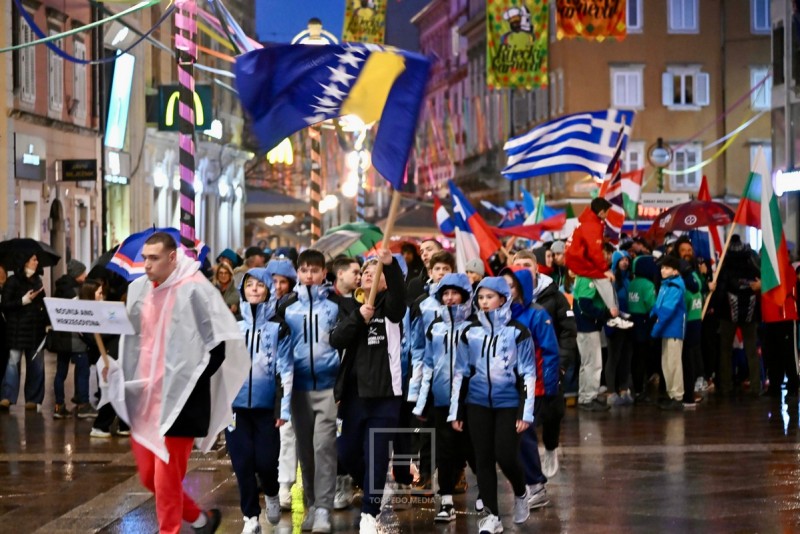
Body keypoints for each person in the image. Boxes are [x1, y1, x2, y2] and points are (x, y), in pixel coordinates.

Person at [107, 232, 250, 534]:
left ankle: (169, 530)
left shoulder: (195, 290)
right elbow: (133, 338)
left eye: (154, 258)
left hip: (182, 400)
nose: (147, 264)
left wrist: (186, 381)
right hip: (146, 395)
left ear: (172, 257)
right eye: (144, 258)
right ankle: (200, 519)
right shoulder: (140, 291)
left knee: (166, 477)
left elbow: (217, 347)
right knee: (149, 476)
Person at [449, 276, 535, 534]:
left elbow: (528, 374)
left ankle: (520, 491)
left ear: (503, 299)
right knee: (483, 459)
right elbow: (461, 373)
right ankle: (491, 516)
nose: (484, 302)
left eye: (490, 297)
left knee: (506, 455)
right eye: (481, 297)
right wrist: (456, 410)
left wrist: (525, 411)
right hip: (477, 404)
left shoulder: (518, 332)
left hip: (509, 404)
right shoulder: (469, 332)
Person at [330, 249, 405, 534]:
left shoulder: (391, 307)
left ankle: (369, 513)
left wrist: (390, 264)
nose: (369, 276)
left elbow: (399, 297)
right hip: (352, 396)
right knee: (347, 452)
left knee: (377, 455)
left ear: (385, 281)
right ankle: (375, 488)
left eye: (376, 273)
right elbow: (336, 339)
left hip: (384, 395)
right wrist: (358, 317)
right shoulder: (349, 306)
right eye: (365, 273)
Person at [278, 249, 339, 533]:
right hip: (298, 388)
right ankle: (312, 504)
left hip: (328, 387)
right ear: (298, 273)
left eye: (315, 270)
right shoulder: (287, 307)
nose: (310, 275)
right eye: (304, 270)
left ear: (324, 272)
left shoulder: (335, 305)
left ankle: (324, 507)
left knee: (323, 446)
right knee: (305, 450)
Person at [230, 268, 293, 534]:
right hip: (235, 408)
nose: (254, 289)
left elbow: (286, 371)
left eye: (259, 285)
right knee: (242, 462)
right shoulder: (232, 325)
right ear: (242, 290)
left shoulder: (279, 328)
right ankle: (251, 517)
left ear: (268, 290)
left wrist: (283, 408)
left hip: (267, 408)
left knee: (267, 462)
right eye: (249, 285)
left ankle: (272, 492)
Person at [412, 273, 476, 522]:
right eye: (445, 294)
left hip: (469, 401)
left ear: (464, 296)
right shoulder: (435, 328)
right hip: (441, 401)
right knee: (444, 450)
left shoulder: (474, 327)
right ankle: (446, 500)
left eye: (454, 293)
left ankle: (486, 497)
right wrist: (421, 402)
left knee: (472, 449)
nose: (449, 298)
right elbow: (428, 365)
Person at [510, 249, 576, 476]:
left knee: (552, 414)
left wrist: (561, 365)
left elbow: (568, 332)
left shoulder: (554, 296)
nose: (522, 269)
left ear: (536, 268)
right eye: (518, 265)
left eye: (527, 265)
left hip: (549, 365)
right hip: (520, 370)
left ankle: (550, 448)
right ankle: (527, 466)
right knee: (521, 417)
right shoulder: (507, 297)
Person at [501, 266, 559, 510]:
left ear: (521, 287)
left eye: (511, 286)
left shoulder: (536, 313)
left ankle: (536, 485)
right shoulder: (501, 313)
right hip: (507, 386)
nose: (506, 290)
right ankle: (528, 484)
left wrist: (548, 387)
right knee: (512, 437)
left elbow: (550, 351)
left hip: (531, 386)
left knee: (523, 435)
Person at [564, 198, 631, 328]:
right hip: (580, 260)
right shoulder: (592, 225)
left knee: (605, 280)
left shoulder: (587, 222)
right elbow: (595, 250)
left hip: (578, 258)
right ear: (601, 212)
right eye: (607, 212)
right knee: (605, 279)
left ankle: (615, 312)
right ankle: (613, 315)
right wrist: (604, 269)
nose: (607, 216)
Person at [710, 234, 762, 396]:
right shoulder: (751, 263)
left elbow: (720, 292)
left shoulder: (725, 266)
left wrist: (715, 308)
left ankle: (726, 386)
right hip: (750, 313)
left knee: (725, 350)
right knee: (751, 350)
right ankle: (756, 386)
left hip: (728, 313)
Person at [0, 253, 48, 412]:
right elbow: (5, 304)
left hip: (35, 331)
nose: (37, 262)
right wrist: (23, 301)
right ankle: (7, 397)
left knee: (36, 364)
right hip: (16, 330)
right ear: (25, 262)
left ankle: (33, 399)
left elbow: (42, 304)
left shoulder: (37, 281)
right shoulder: (12, 281)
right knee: (13, 363)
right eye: (34, 259)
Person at [84, 280, 130, 439]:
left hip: (117, 355)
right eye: (98, 292)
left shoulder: (106, 309)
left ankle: (124, 424)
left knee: (121, 390)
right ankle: (101, 425)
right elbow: (93, 337)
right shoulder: (90, 312)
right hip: (107, 358)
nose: (101, 295)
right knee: (111, 391)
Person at [52, 259, 95, 418]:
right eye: (83, 272)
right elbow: (81, 315)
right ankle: (83, 405)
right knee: (83, 370)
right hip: (76, 338)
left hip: (61, 338)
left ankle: (59, 406)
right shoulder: (76, 291)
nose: (86, 275)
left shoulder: (59, 288)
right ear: (77, 274)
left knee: (60, 373)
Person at [651, 255, 687, 411]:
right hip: (667, 330)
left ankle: (677, 396)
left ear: (675, 271)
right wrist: (653, 314)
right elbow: (659, 306)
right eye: (662, 267)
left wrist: (655, 330)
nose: (663, 270)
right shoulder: (667, 285)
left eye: (666, 268)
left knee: (673, 363)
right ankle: (672, 394)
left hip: (673, 330)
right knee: (667, 363)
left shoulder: (674, 287)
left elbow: (667, 311)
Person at [761, 256, 799, 399]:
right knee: (773, 354)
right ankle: (774, 386)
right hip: (771, 317)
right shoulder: (768, 271)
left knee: (789, 354)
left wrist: (762, 285)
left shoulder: (788, 270)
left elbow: (784, 288)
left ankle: (793, 385)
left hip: (786, 317)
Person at [605, 251, 634, 406]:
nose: (625, 262)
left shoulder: (628, 279)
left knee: (626, 357)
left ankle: (624, 389)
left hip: (628, 322)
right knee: (613, 357)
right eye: (621, 260)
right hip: (614, 323)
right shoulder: (611, 279)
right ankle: (611, 391)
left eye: (626, 260)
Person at [405, 238, 443, 305]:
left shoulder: (453, 281)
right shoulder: (414, 284)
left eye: (429, 249)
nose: (424, 254)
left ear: (441, 252)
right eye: (421, 252)